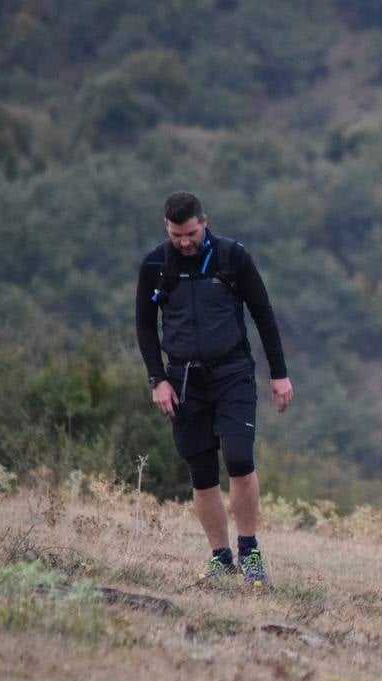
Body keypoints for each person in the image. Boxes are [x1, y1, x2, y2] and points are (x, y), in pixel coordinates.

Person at [135, 191, 293, 588]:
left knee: (239, 459)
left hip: (233, 373)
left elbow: (263, 313)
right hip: (184, 381)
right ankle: (221, 558)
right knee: (202, 473)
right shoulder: (155, 264)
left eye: (190, 233)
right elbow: (143, 325)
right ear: (166, 229)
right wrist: (158, 379)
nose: (184, 242)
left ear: (204, 222)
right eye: (176, 235)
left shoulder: (232, 257)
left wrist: (279, 373)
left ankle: (250, 551)